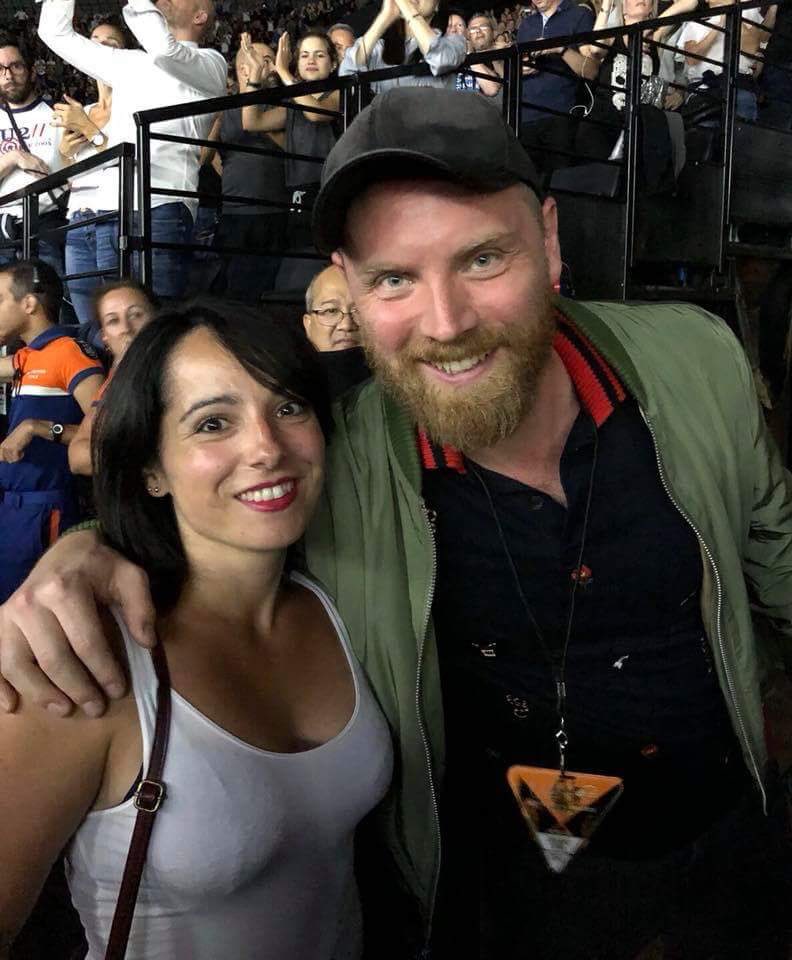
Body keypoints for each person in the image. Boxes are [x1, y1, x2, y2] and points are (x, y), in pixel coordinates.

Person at [2, 88, 791, 960]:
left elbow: (779, 561)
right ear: (349, 282)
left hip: (742, 847)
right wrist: (86, 551)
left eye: (484, 259)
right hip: (505, 903)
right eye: (393, 279)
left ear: (552, 240)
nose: (446, 324)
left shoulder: (698, 361)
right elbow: (216, 510)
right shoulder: (336, 458)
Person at [0, 299, 392, 958]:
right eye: (213, 423)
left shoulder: (343, 606)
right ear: (151, 469)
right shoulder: (80, 665)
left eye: (290, 408)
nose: (267, 448)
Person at [37, 0, 228, 302]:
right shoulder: (129, 61)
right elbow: (54, 33)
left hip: (161, 207)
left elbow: (166, 52)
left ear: (200, 16)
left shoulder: (211, 63)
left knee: (152, 325)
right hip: (105, 209)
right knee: (104, 330)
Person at [0, 258, 103, 602]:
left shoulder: (69, 353)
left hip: (47, 508)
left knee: (33, 613)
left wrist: (38, 427)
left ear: (28, 303)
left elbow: (108, 433)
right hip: (15, 506)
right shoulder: (28, 356)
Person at [239, 30, 339, 292]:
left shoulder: (340, 92)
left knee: (328, 259)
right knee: (301, 260)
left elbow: (317, 114)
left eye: (319, 54)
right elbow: (252, 122)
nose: (311, 60)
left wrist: (284, 72)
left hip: (330, 187)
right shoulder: (292, 102)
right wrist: (255, 79)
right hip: (298, 189)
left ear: (334, 63)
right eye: (304, 55)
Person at [55, 18, 125, 336]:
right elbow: (67, 176)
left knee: (118, 316)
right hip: (77, 221)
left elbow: (126, 156)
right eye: (92, 40)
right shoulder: (85, 109)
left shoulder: (131, 104)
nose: (98, 47)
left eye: (109, 42)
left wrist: (87, 128)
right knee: (87, 326)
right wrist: (66, 154)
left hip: (112, 218)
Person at [210, 39, 289, 301]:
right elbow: (210, 156)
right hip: (236, 212)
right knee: (237, 289)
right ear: (244, 68)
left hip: (274, 209)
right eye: (266, 60)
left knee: (271, 289)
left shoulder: (281, 105)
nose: (272, 67)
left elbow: (287, 147)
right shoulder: (224, 109)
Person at [68, 279, 156, 476]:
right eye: (113, 321)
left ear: (157, 320)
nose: (126, 328)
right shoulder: (115, 378)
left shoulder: (178, 370)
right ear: (105, 337)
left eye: (136, 315)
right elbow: (78, 456)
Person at [0, 34, 68, 277]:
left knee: (53, 305)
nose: (7, 75)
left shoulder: (60, 114)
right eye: (0, 68)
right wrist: (13, 157)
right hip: (3, 231)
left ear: (30, 71)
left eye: (15, 66)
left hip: (48, 226)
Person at [516, 0, 594, 180]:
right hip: (525, 117)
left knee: (560, 184)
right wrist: (521, 68)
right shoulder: (527, 25)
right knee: (528, 186)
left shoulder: (579, 15)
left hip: (561, 114)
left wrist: (559, 48)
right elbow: (517, 66)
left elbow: (591, 70)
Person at [339, 0, 467, 92]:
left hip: (434, 125)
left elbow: (441, 59)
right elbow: (347, 73)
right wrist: (385, 16)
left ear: (437, 5)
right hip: (388, 126)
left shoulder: (454, 41)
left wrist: (408, 9)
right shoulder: (380, 49)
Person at [679, 0, 766, 123]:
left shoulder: (746, 15)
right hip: (705, 89)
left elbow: (751, 48)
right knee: (705, 136)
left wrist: (732, 13)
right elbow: (692, 58)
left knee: (742, 134)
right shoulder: (695, 23)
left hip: (738, 84)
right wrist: (720, 24)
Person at [456, 12, 505, 99]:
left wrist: (470, 54)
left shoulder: (503, 56)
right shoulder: (460, 58)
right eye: (473, 29)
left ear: (494, 33)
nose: (478, 31)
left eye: (483, 27)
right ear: (468, 36)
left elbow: (492, 89)